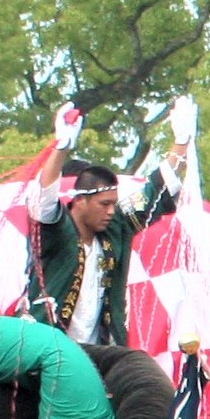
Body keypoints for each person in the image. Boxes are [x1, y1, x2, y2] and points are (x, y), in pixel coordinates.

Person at [25, 109, 174, 347]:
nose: (111, 212)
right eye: (104, 204)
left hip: (100, 352)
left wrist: (180, 147)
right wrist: (61, 148)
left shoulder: (113, 232)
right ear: (80, 201)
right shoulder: (56, 228)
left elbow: (152, 194)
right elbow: (43, 199)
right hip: (47, 348)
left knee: (139, 372)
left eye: (113, 204)